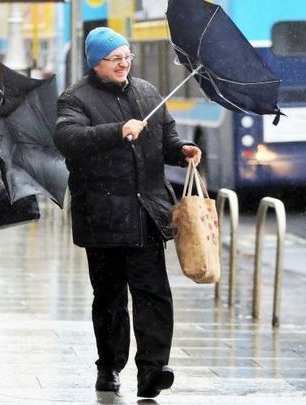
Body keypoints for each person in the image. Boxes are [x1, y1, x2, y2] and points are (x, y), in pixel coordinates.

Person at [54, 27, 202, 398]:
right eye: (115, 58)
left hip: (147, 214)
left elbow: (165, 139)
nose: (124, 64)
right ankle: (109, 365)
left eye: (127, 56)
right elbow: (69, 140)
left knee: (154, 293)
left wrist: (181, 149)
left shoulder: (148, 92)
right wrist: (117, 130)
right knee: (110, 297)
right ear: (96, 63)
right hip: (102, 217)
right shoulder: (75, 99)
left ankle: (153, 369)